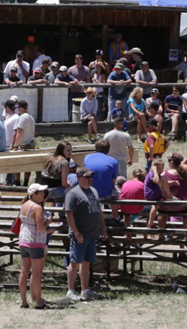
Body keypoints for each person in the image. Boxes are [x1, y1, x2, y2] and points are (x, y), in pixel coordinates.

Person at [64, 168, 103, 303]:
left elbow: (99, 210)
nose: (90, 179)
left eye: (91, 177)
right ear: (79, 179)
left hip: (92, 232)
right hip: (80, 233)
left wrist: (103, 228)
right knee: (74, 262)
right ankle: (71, 290)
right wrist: (76, 232)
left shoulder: (94, 191)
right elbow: (69, 213)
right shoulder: (73, 193)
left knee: (86, 263)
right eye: (87, 177)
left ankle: (85, 290)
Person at [18, 183, 50, 309]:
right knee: (36, 272)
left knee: (24, 271)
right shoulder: (37, 208)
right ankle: (38, 301)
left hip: (23, 240)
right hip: (35, 241)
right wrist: (49, 221)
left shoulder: (23, 205)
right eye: (41, 192)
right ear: (33, 194)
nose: (43, 194)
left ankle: (23, 301)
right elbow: (41, 227)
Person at [102, 112, 135, 180]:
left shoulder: (107, 135)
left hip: (110, 160)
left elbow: (103, 147)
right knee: (122, 180)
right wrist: (131, 159)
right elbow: (130, 148)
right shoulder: (126, 135)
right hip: (122, 159)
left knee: (111, 179)